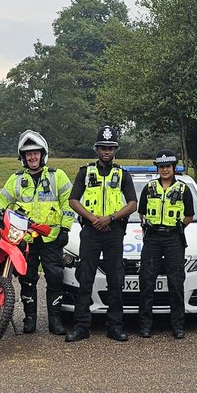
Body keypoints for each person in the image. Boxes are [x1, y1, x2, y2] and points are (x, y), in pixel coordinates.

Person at [66, 124, 138, 343]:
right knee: (85, 278)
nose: (107, 151)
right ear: (97, 149)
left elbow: (133, 203)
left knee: (115, 279)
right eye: (103, 148)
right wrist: (92, 218)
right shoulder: (85, 172)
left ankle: (114, 326)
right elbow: (73, 200)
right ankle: (81, 326)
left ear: (115, 150)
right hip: (91, 231)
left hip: (114, 231)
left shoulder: (122, 174)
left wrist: (111, 218)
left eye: (110, 148)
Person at [0, 130, 74, 336]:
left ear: (43, 154)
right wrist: (10, 230)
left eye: (36, 153)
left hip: (52, 238)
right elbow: (2, 205)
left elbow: (69, 203)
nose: (32, 157)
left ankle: (55, 320)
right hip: (25, 241)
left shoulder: (57, 176)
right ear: (23, 157)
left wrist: (65, 228)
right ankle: (29, 318)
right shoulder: (15, 179)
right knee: (27, 278)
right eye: (28, 154)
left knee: (55, 278)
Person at [137, 149, 195, 339]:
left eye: (168, 166)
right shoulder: (149, 187)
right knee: (146, 282)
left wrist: (177, 228)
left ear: (174, 167)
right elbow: (141, 212)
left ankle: (177, 326)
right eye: (161, 166)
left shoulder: (183, 189)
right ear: (157, 168)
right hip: (152, 238)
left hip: (173, 239)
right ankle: (145, 325)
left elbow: (189, 215)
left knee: (176, 283)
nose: (164, 170)